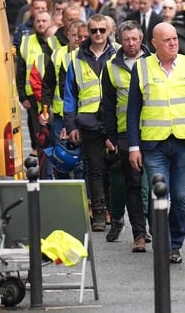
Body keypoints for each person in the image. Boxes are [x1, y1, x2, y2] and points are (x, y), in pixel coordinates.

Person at [127, 23, 185, 264]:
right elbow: (133, 110)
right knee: (157, 195)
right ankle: (164, 243)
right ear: (154, 43)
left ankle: (176, 244)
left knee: (181, 196)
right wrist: (134, 147)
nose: (173, 43)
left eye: (174, 39)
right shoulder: (142, 68)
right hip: (154, 144)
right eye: (167, 40)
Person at [63, 14, 118, 232]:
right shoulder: (76, 58)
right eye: (93, 30)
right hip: (88, 121)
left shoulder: (118, 54)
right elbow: (69, 95)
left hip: (114, 120)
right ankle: (98, 212)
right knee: (94, 168)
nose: (97, 35)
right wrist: (71, 125)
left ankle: (113, 211)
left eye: (101, 31)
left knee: (114, 168)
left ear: (108, 32)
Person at [101, 21, 151, 252]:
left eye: (135, 39)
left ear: (142, 39)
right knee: (132, 183)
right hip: (124, 134)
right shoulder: (111, 67)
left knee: (152, 183)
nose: (131, 44)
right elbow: (108, 105)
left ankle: (156, 225)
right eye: (126, 39)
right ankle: (139, 233)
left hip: (154, 130)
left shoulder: (154, 62)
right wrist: (110, 134)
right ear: (119, 40)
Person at [40, 18, 88, 180]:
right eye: (74, 35)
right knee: (61, 156)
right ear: (67, 35)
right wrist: (45, 109)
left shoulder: (88, 56)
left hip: (84, 114)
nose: (77, 39)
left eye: (81, 36)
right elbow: (47, 84)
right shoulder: (58, 55)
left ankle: (85, 194)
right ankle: (63, 189)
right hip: (61, 116)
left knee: (81, 156)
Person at [16, 4, 58, 159]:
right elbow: (20, 71)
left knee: (55, 136)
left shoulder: (57, 41)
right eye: (38, 21)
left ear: (51, 23)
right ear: (34, 23)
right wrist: (22, 97)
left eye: (44, 21)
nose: (41, 24)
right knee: (40, 137)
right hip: (33, 98)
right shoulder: (26, 42)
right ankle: (43, 172)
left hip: (54, 98)